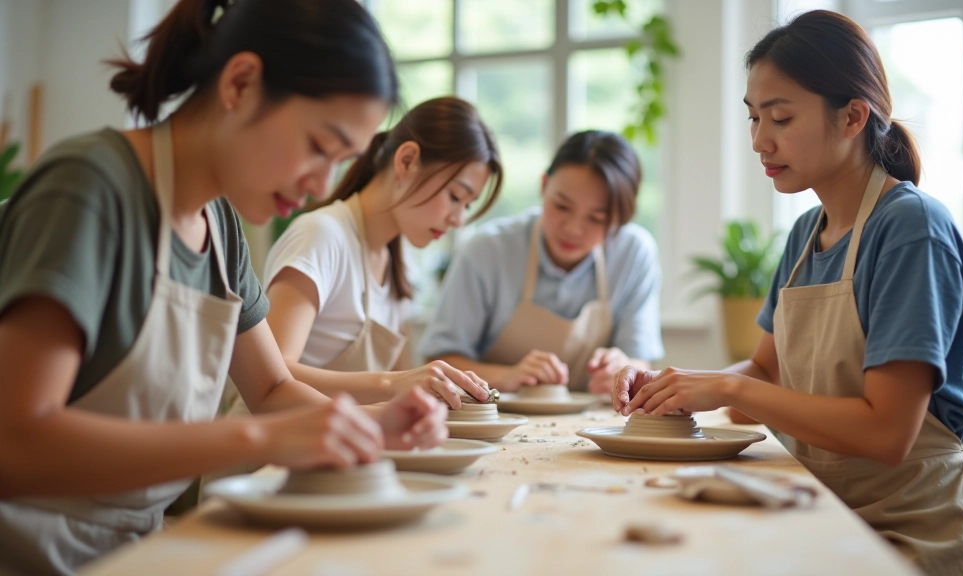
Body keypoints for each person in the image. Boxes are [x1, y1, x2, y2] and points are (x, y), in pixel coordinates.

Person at [0, 1, 447, 574]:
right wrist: (263, 441)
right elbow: (17, 444)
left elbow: (273, 387)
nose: (320, 186)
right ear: (240, 83)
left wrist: (374, 423)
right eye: (318, 146)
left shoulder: (222, 226)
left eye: (342, 162)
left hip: (139, 551)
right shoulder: (89, 188)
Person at [613, 10, 963, 575]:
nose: (759, 140)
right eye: (753, 119)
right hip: (820, 508)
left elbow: (889, 433)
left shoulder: (911, 228)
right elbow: (766, 375)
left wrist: (723, 385)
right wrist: (678, 389)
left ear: (852, 117)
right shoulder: (803, 234)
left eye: (781, 118)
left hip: (913, 525)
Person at [253, 96, 502, 410]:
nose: (459, 219)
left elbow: (402, 394)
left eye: (467, 205)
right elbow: (269, 375)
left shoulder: (401, 264)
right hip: (274, 451)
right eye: (456, 196)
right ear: (407, 161)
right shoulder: (322, 235)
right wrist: (392, 383)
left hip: (345, 448)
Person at [421, 130, 663, 394]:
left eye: (596, 218)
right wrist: (508, 376)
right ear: (544, 185)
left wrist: (625, 367)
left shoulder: (634, 253)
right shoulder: (487, 250)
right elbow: (437, 362)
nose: (573, 229)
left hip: (592, 425)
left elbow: (640, 360)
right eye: (561, 206)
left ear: (620, 220)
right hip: (496, 420)